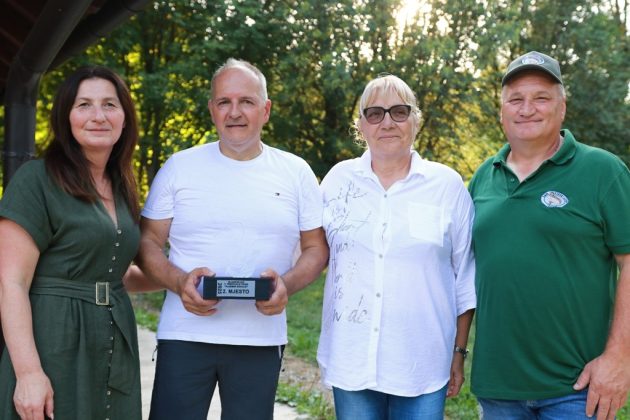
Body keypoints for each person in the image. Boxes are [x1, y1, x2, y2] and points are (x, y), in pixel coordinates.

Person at [136, 58, 329, 420]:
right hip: (185, 334)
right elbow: (147, 243)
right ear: (212, 109)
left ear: (265, 110)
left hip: (259, 339)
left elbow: (316, 248)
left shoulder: (296, 172)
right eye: (224, 101)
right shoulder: (179, 166)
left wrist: (285, 286)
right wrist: (179, 282)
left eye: (247, 102)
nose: (235, 112)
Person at [469, 51, 630, 420]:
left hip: (576, 389)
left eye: (541, 98)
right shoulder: (483, 177)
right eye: (516, 99)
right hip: (497, 389)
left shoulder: (602, 171)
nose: (527, 109)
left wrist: (620, 357)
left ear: (562, 108)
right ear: (502, 112)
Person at [316, 74, 476, 419]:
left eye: (399, 112)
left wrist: (458, 352)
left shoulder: (446, 186)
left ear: (415, 120)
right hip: (352, 360)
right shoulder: (337, 182)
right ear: (361, 125)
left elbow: (465, 278)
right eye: (375, 113)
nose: (387, 122)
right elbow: (310, 252)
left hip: (423, 365)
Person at [0, 66, 143, 419]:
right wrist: (28, 374)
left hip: (112, 340)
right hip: (54, 340)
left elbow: (111, 273)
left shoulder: (122, 185)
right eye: (84, 105)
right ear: (66, 117)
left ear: (124, 118)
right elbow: (10, 282)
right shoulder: (36, 179)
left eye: (109, 104)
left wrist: (181, 280)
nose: (98, 116)